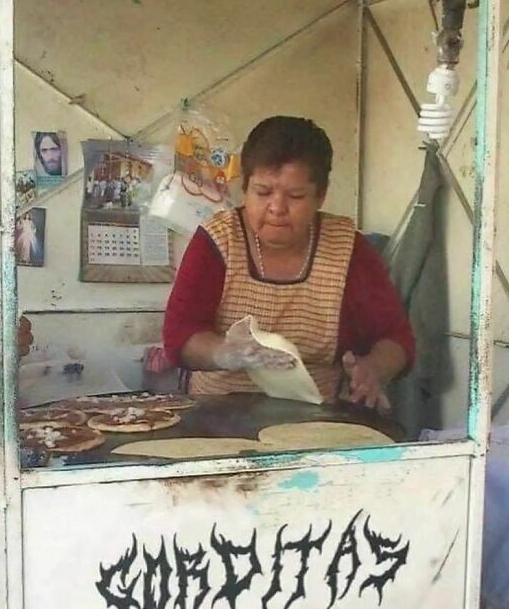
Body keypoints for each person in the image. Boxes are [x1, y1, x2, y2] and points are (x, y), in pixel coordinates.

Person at [163, 116, 415, 410]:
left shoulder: (348, 249)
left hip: (318, 413)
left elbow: (395, 337)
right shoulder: (217, 241)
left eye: (295, 195)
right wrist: (225, 353)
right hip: (217, 410)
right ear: (244, 188)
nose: (277, 208)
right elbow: (179, 335)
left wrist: (374, 370)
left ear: (320, 196)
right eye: (263, 192)